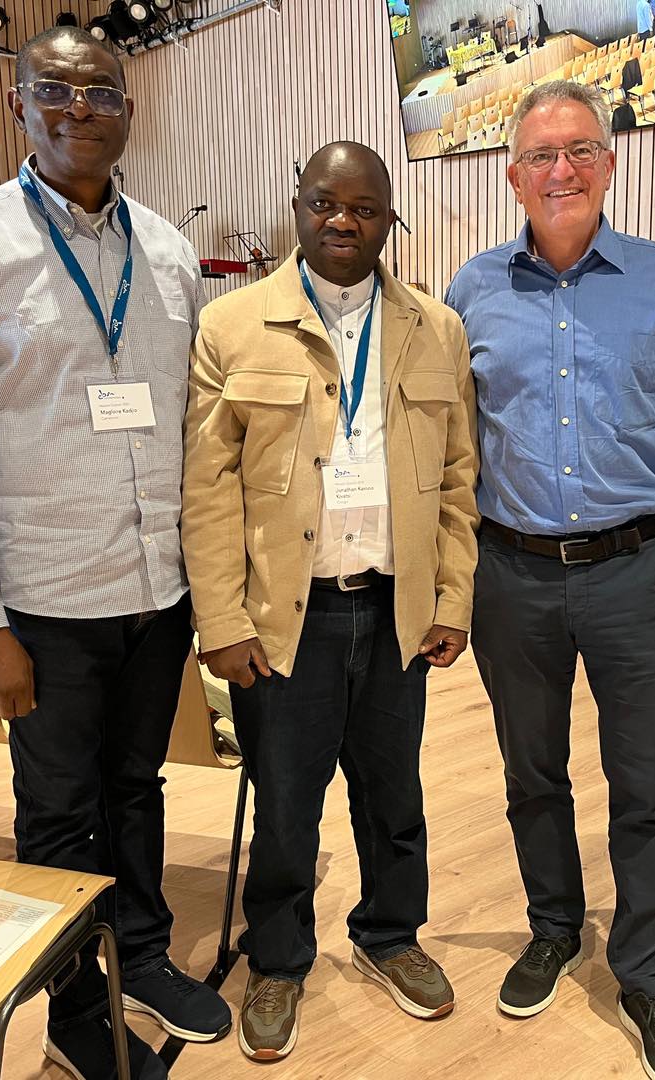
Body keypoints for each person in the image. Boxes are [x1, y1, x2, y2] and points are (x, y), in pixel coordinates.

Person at [0, 26, 230, 1080]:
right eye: (55, 89)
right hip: (41, 601)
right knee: (57, 810)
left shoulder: (168, 254)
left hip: (155, 590)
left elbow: (192, 428)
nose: (80, 108)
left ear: (129, 108)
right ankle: (75, 1003)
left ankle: (142, 953)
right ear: (18, 105)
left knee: (138, 787)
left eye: (102, 91)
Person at [444, 81, 655, 1080]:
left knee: (643, 784)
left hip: (635, 572)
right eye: (541, 155)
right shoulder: (472, 291)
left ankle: (647, 976)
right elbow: (449, 448)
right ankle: (553, 928)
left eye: (579, 150)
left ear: (609, 163)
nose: (561, 170)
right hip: (510, 575)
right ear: (513, 175)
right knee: (531, 773)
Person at [181, 141, 480, 1064]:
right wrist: (221, 622)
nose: (342, 221)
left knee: (394, 793)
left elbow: (459, 477)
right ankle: (277, 959)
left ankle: (391, 935)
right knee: (285, 802)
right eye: (324, 203)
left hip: (394, 609)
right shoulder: (232, 325)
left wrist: (454, 598)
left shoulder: (436, 327)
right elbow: (207, 491)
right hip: (285, 619)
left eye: (364, 207)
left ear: (390, 218)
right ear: (297, 206)